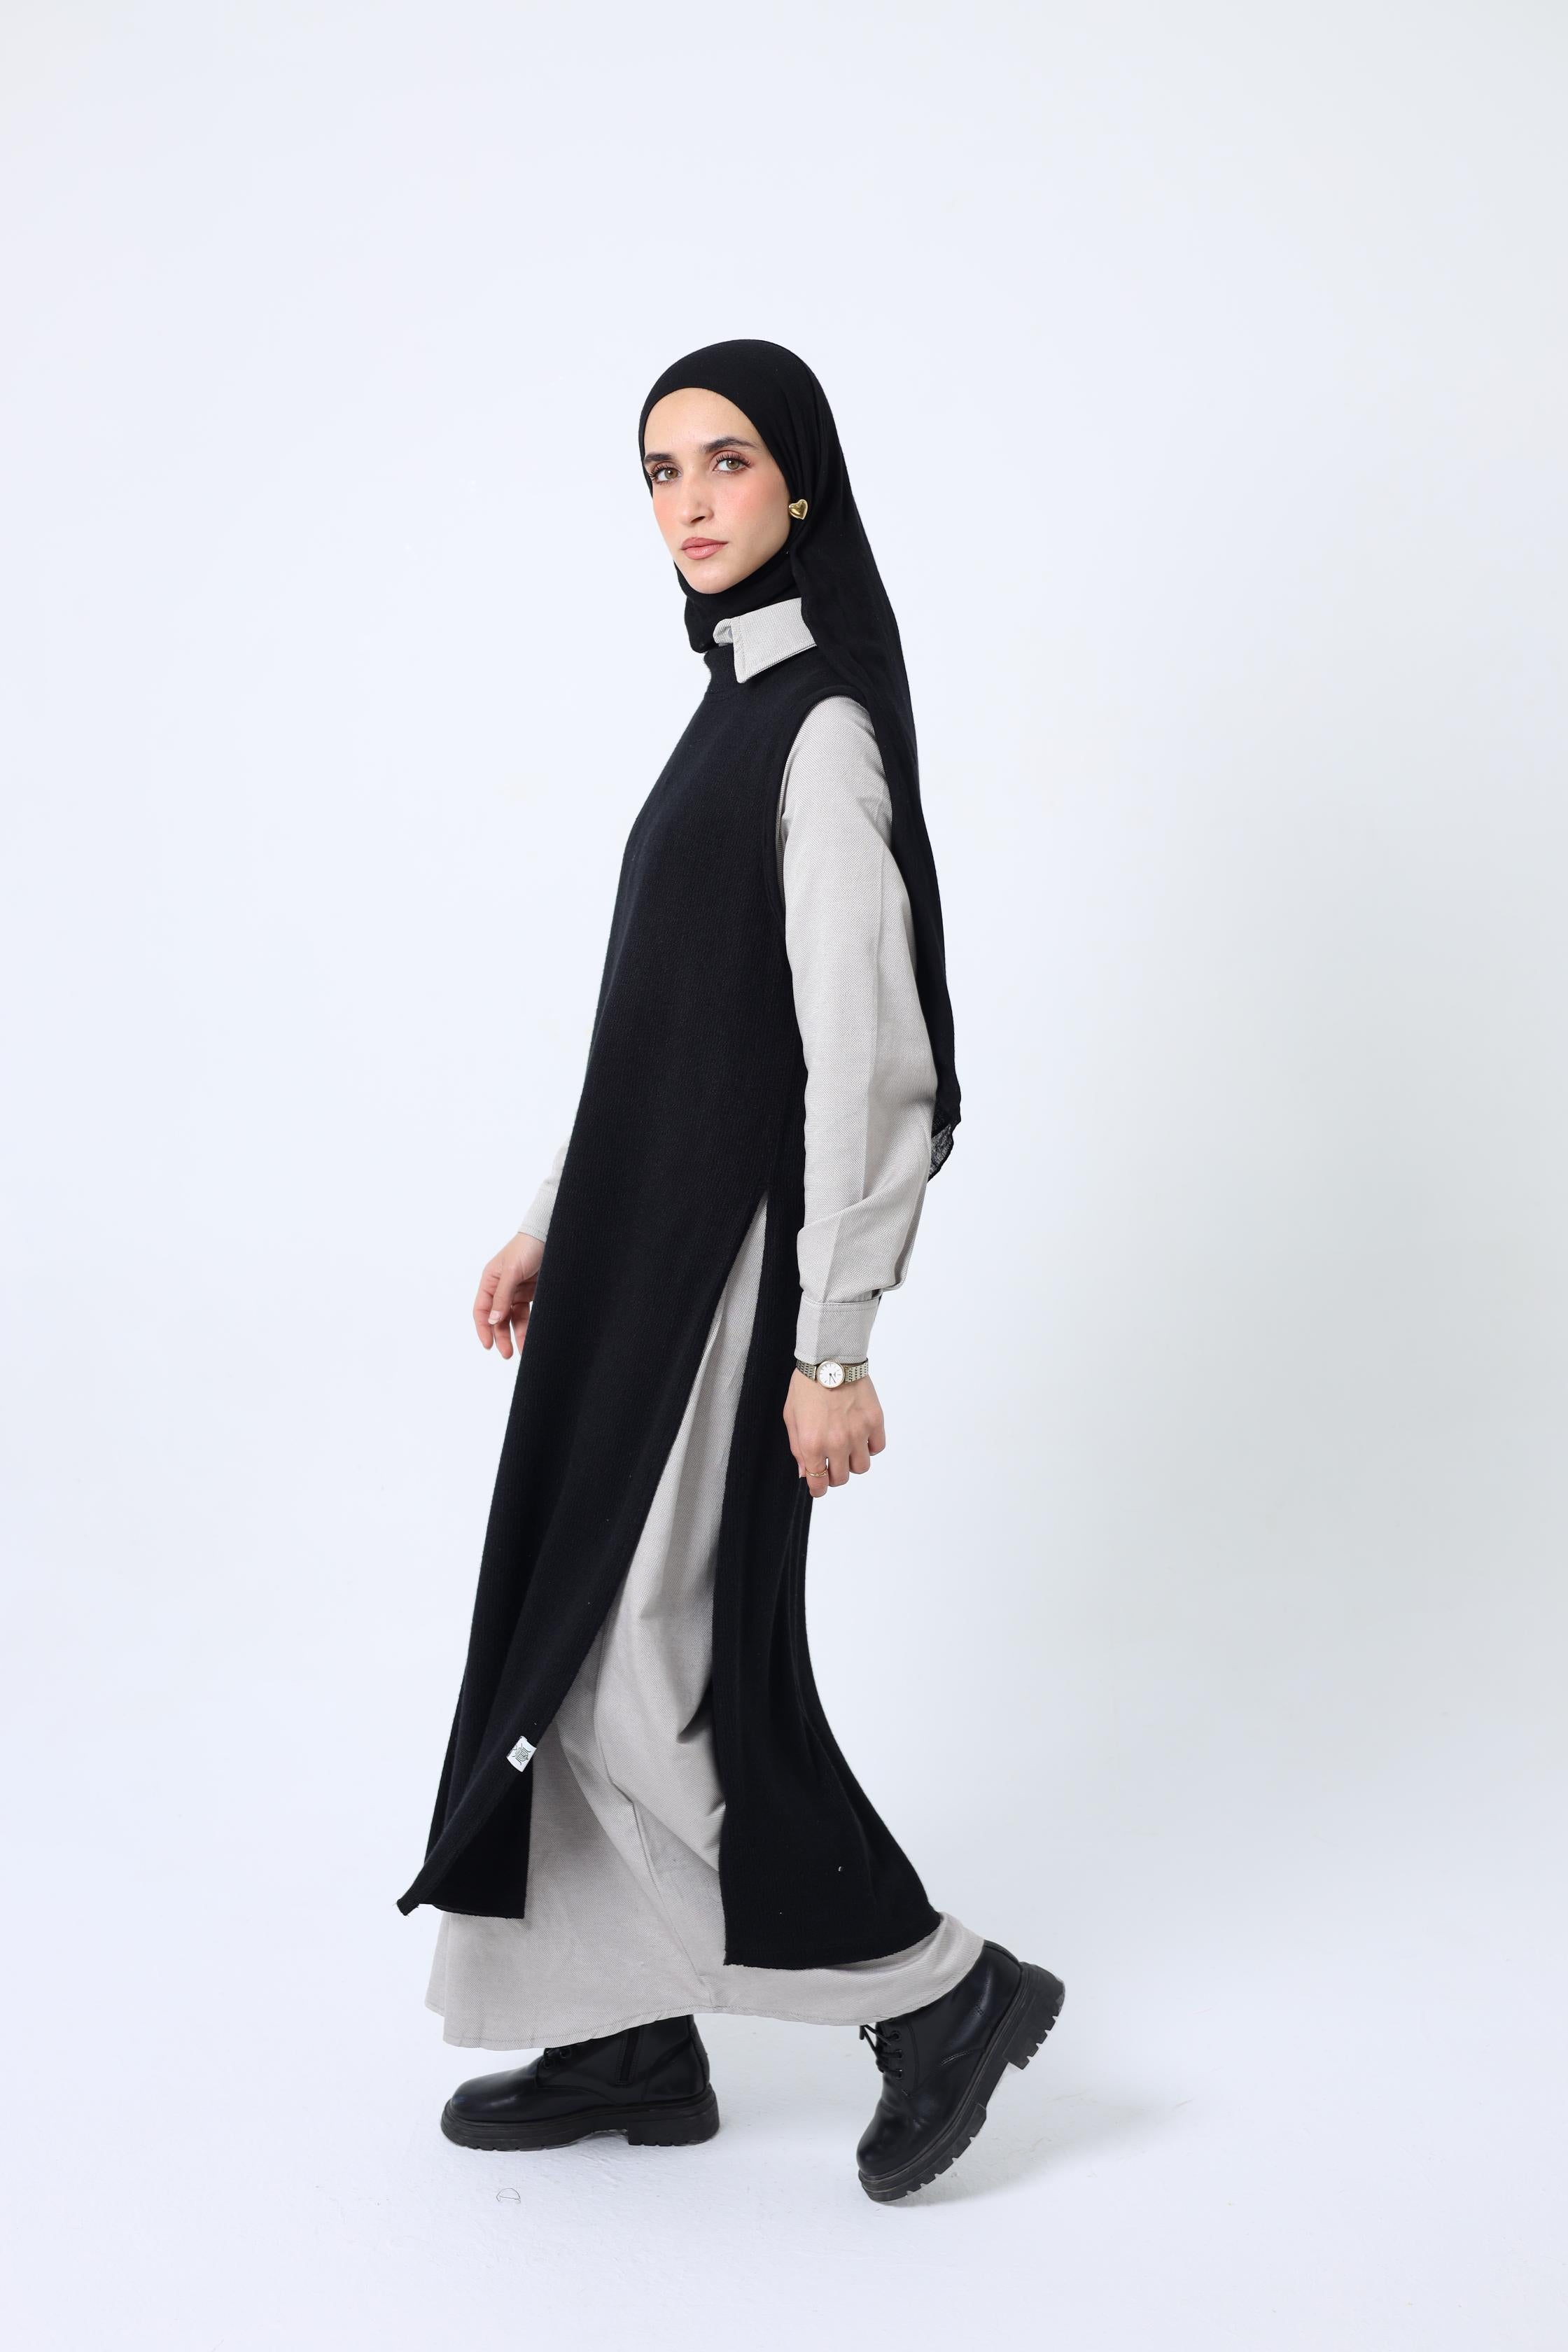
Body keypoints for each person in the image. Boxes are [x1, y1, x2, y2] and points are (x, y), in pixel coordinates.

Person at [398, 340, 1063, 2203]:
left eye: (727, 462)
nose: (689, 502)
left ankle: (939, 1992)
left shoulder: (819, 727)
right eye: (660, 472)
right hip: (636, 1252)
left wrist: (834, 1341)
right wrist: (558, 1213)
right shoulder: (729, 708)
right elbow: (665, 1024)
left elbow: (870, 1054)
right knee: (575, 1630)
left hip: (729, 1271)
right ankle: (623, 2031)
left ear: (802, 486)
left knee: (649, 1661)